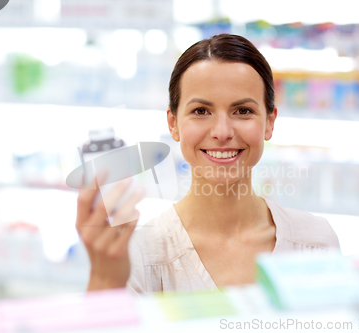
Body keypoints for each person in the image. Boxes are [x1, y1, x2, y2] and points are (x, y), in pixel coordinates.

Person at [76, 34, 341, 294]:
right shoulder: (139, 257)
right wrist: (103, 280)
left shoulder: (315, 242)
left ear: (269, 122)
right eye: (201, 111)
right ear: (173, 123)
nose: (222, 132)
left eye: (243, 111)